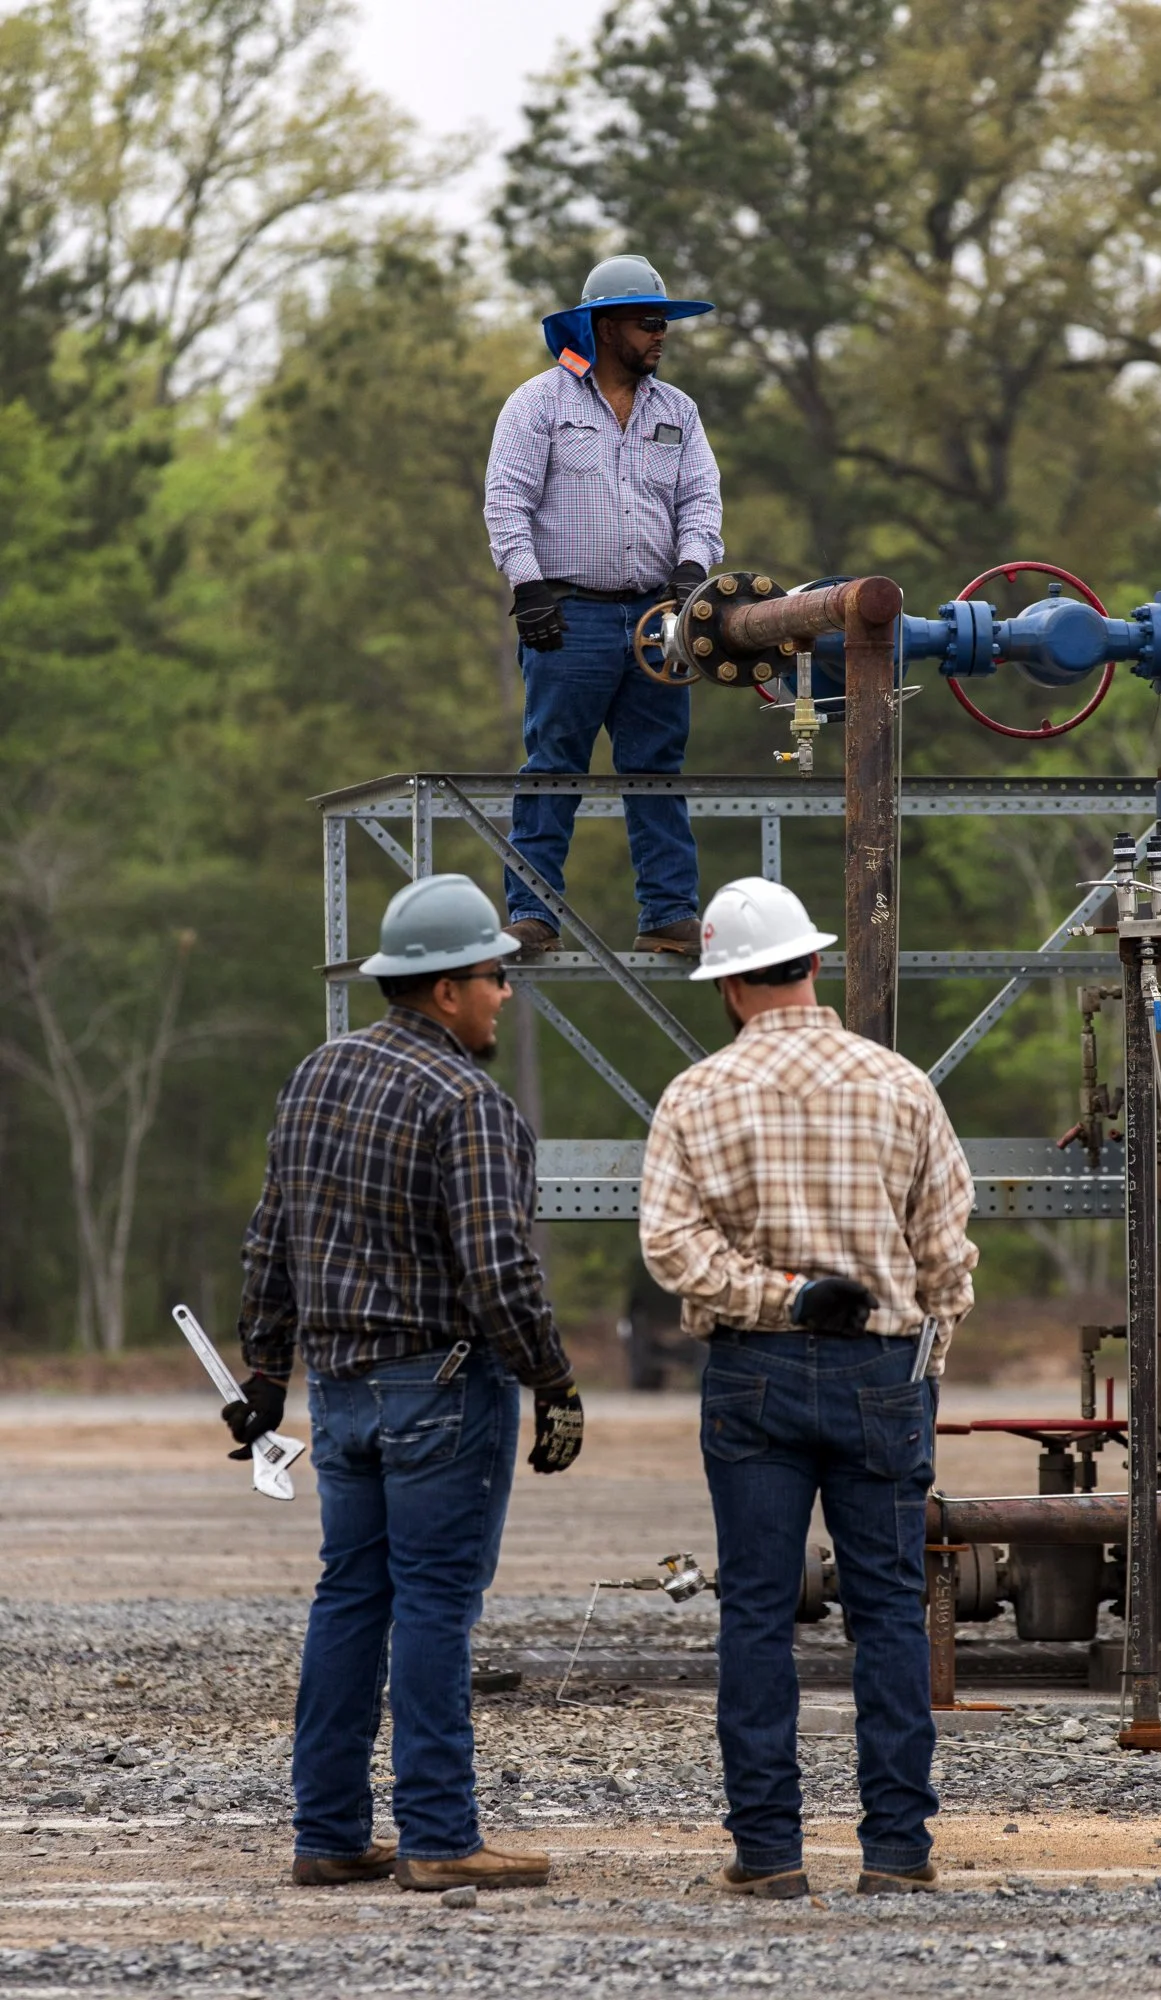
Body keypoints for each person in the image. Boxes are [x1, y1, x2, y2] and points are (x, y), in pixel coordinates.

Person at [224, 873, 584, 1894]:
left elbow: (271, 1236)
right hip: (440, 1385)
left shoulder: (315, 1074)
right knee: (434, 1603)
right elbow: (499, 1269)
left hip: (339, 1393)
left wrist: (264, 1367)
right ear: (442, 990)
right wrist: (553, 1380)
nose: (505, 993)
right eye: (492, 977)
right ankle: (438, 1833)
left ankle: (329, 1830)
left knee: (350, 1598)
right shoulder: (466, 1100)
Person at [638, 878, 978, 1900]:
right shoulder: (899, 1082)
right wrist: (923, 1357)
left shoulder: (694, 1094)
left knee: (753, 1610)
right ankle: (896, 1849)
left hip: (752, 1372)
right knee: (886, 1609)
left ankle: (770, 1853)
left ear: (729, 986)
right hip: (884, 1370)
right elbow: (946, 1251)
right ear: (812, 964)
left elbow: (670, 1245)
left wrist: (780, 1298)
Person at [484, 252, 724, 958]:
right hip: (569, 615)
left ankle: (668, 914)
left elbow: (701, 501)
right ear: (604, 325)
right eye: (649, 322)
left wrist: (689, 572)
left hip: (658, 617)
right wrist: (527, 587)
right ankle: (532, 914)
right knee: (554, 760)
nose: (660, 335)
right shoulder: (538, 405)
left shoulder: (677, 411)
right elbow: (506, 502)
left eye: (664, 324)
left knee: (656, 762)